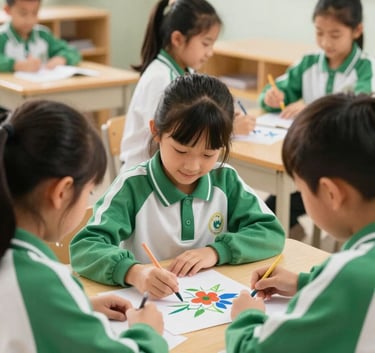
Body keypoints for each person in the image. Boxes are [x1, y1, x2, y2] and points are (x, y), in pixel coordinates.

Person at [70, 74, 285, 300]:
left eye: (208, 154)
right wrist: (135, 273)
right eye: (181, 151)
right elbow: (84, 247)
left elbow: (271, 233)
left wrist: (216, 251)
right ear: (156, 132)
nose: (193, 166)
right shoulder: (133, 186)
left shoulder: (224, 180)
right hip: (148, 306)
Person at [0, 100, 167, 352]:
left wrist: (77, 308)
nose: (90, 200)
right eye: (90, 192)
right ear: (62, 191)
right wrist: (148, 332)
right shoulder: (40, 281)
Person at [226, 93, 375, 353]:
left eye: (300, 188)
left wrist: (245, 317)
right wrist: (305, 283)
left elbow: (254, 349)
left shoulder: (351, 274)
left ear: (331, 193)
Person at [259, 0, 375, 239]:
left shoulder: (366, 68)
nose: (325, 42)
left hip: (344, 163)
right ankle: (291, 231)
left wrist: (307, 110)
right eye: (319, 33)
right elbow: (272, 93)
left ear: (357, 31)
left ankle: (293, 232)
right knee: (274, 207)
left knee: (286, 202)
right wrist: (271, 97)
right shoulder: (309, 63)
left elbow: (355, 110)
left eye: (335, 35)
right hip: (310, 158)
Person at [120, 0, 255, 168]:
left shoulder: (186, 72)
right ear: (177, 39)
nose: (210, 53)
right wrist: (228, 130)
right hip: (145, 176)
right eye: (205, 44)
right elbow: (173, 137)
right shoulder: (160, 79)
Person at [0, 0, 81, 72]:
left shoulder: (44, 35)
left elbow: (72, 51)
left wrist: (62, 58)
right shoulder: (2, 36)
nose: (29, 19)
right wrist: (15, 65)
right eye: (23, 14)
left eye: (34, 13)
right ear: (8, 10)